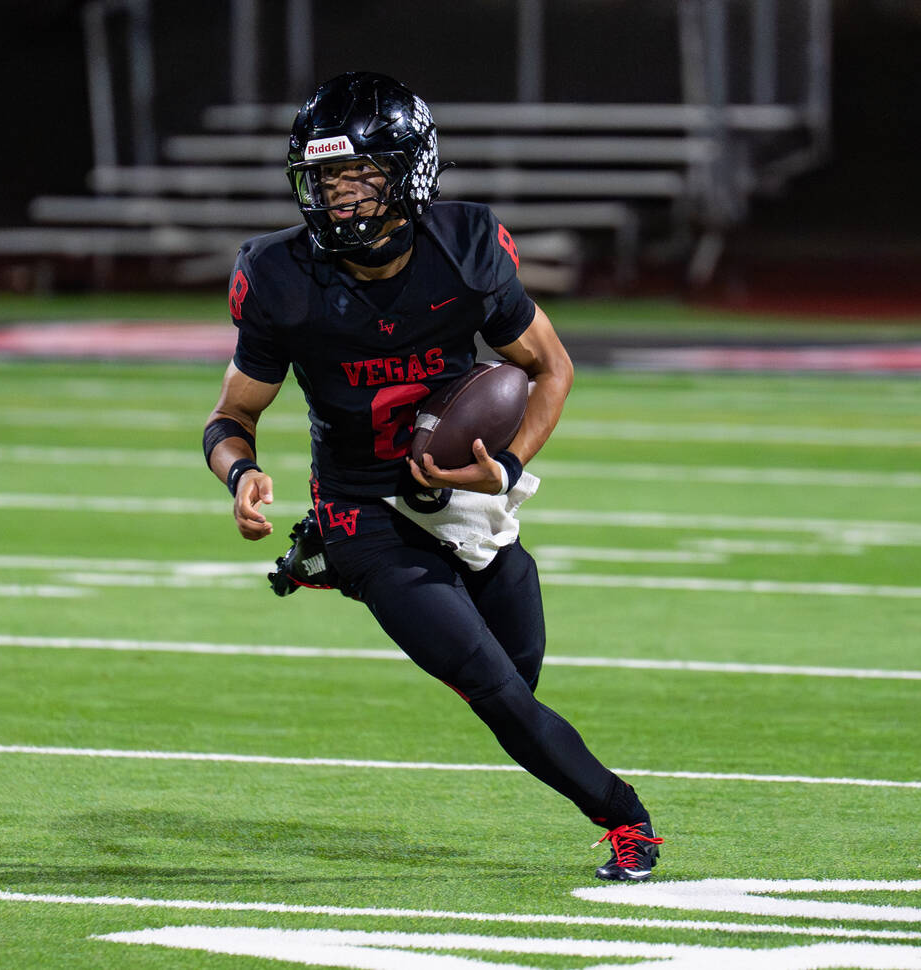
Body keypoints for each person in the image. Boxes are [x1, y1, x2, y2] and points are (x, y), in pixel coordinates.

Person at [203, 71, 663, 882]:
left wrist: (509, 465)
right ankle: (627, 818)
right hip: (362, 507)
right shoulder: (279, 276)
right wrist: (239, 473)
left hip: (459, 497)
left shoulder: (465, 247)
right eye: (326, 182)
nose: (339, 202)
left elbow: (550, 368)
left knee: (518, 675)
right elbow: (229, 418)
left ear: (409, 174)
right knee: (499, 696)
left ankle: (326, 565)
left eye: (360, 180)